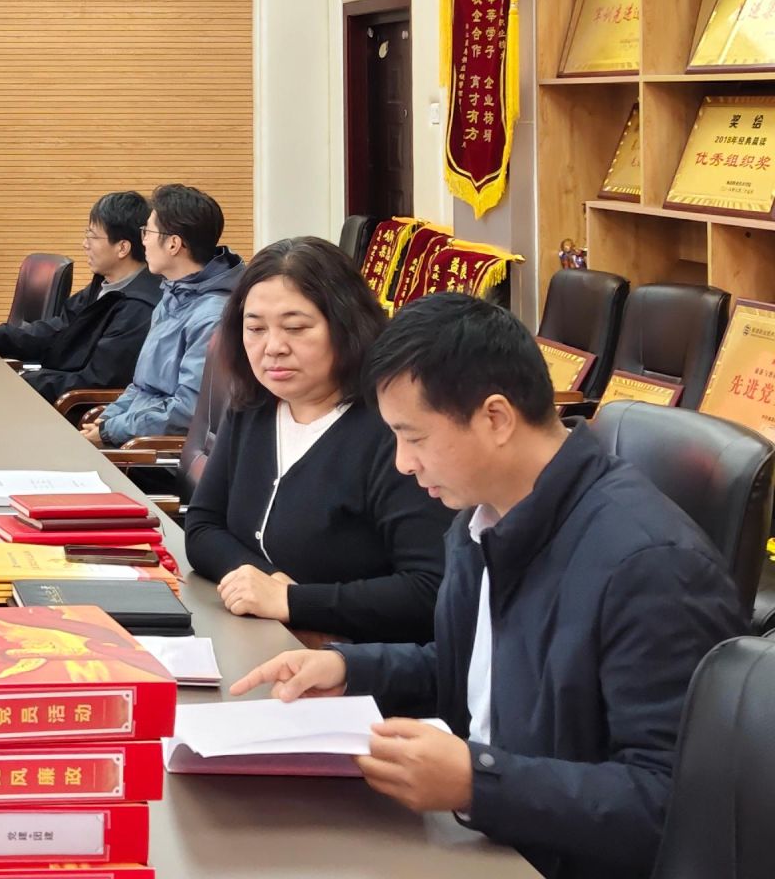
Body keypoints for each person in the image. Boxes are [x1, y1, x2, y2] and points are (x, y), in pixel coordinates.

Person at [230, 293, 742, 879]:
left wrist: (477, 782)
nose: (402, 463)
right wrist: (351, 669)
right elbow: (480, 672)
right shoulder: (482, 518)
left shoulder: (650, 567)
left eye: (414, 437)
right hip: (488, 837)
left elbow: (672, 806)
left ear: (495, 418)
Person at [183, 237, 448, 643]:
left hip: (360, 660)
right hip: (256, 638)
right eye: (255, 329)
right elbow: (203, 527)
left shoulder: (392, 427)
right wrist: (265, 582)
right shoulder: (253, 406)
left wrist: (293, 601)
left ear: (346, 326)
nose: (273, 348)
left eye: (296, 328)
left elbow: (430, 590)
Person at [0, 190, 162, 404]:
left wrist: (22, 382)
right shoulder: (103, 286)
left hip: (78, 411)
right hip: (57, 390)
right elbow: (55, 331)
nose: (84, 244)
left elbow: (96, 382)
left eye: (92, 236)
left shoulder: (138, 307)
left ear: (122, 248)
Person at [82, 184, 241, 447]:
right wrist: (107, 420)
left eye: (147, 232)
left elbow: (187, 411)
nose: (142, 240)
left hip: (157, 453)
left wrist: (112, 431)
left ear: (173, 244)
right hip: (134, 437)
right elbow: (141, 387)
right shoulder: (171, 296)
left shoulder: (212, 318)